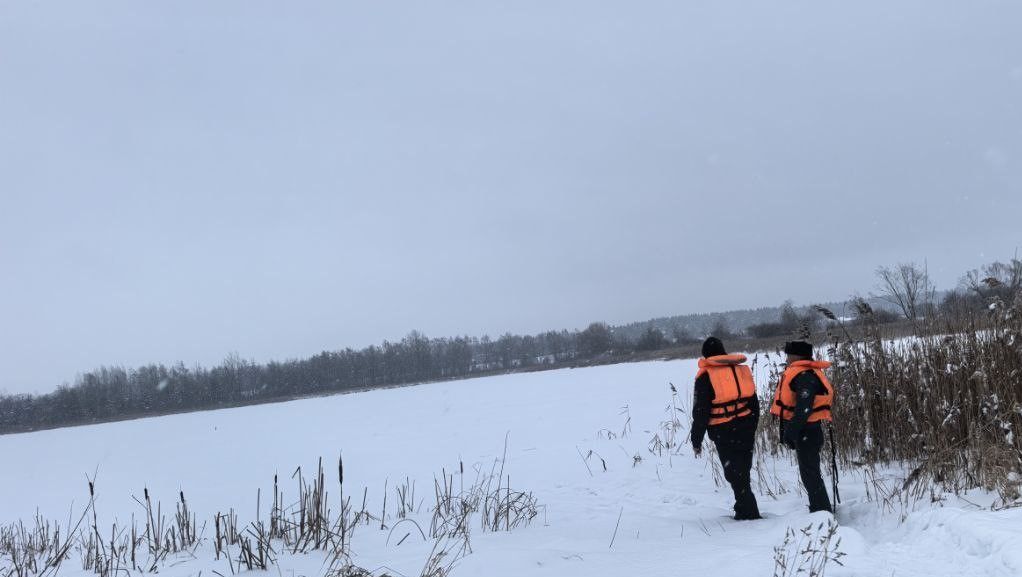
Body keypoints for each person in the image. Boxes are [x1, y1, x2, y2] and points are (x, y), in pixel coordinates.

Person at [691, 336, 762, 520]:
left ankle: (748, 513)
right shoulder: (740, 371)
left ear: (705, 355)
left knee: (734, 473)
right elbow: (754, 403)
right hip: (746, 427)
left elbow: (700, 412)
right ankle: (745, 509)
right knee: (742, 471)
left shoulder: (705, 377)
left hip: (724, 431)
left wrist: (696, 440)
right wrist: (752, 425)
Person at [770, 340, 834, 513]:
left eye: (789, 355)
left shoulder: (805, 376)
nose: (787, 358)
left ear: (796, 356)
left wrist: (791, 433)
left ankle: (822, 511)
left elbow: (803, 409)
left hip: (808, 431)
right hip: (808, 430)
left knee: (810, 474)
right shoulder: (804, 373)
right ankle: (820, 508)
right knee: (810, 473)